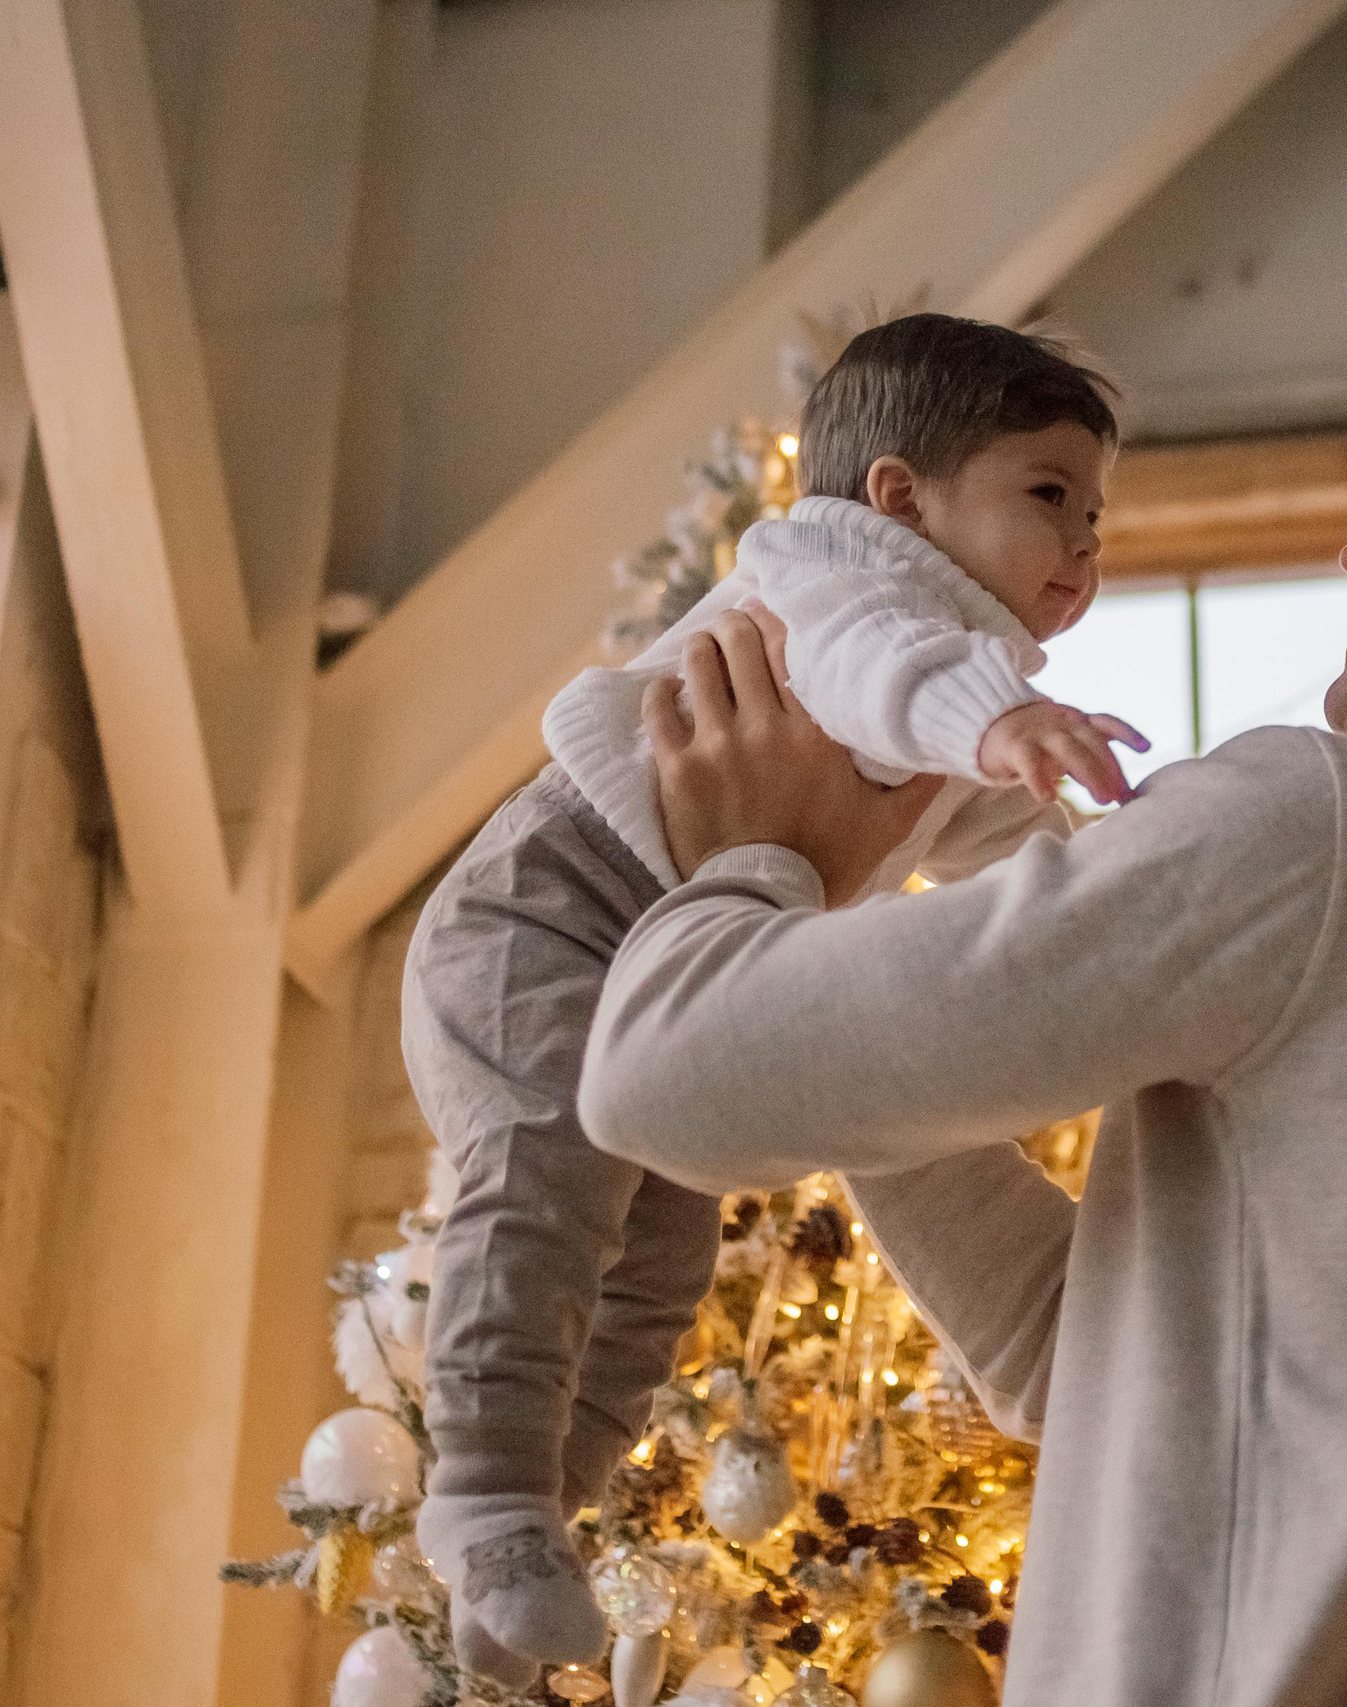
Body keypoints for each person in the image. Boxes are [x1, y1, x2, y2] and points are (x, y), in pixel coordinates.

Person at [576, 363, 1347, 1706]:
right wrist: (872, 992)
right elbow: (1090, 1360)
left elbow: (668, 1076)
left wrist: (761, 855)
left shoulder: (1330, 828)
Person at [403, 314, 1144, 1689]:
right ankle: (483, 1489)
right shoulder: (844, 590)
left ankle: (535, 1520)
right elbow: (889, 678)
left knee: (658, 1266)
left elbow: (991, 838)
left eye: (1095, 516)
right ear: (900, 498)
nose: (1085, 549)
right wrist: (999, 726)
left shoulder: (947, 685)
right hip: (551, 911)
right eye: (1050, 497)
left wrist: (1095, 865)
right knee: (548, 1174)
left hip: (671, 965)